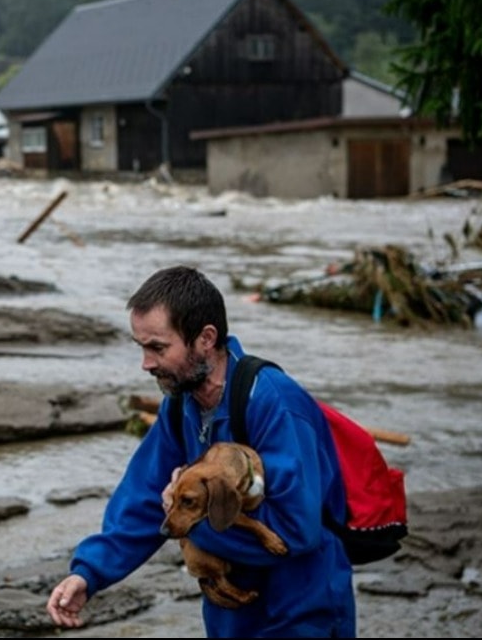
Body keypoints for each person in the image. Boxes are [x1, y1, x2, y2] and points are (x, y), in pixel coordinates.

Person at [45, 265, 355, 638]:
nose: (146, 363)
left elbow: (295, 531)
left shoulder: (274, 402)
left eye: (158, 347)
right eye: (142, 347)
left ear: (206, 338)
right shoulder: (181, 404)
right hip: (230, 615)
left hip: (301, 612)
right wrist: (88, 573)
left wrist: (191, 523)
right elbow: (145, 497)